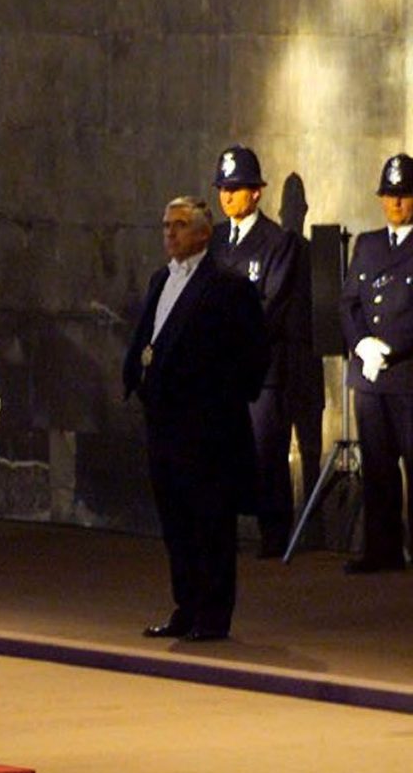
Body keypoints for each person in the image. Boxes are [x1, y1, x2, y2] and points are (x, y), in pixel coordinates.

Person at [125, 196, 267, 642]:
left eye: (180, 226)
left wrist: (216, 399)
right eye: (167, 225)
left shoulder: (227, 286)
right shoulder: (159, 279)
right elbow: (147, 338)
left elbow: (252, 355)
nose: (171, 233)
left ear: (204, 233)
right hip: (163, 424)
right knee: (176, 522)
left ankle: (213, 614)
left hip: (208, 430)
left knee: (211, 523)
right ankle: (185, 605)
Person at [209, 145, 321, 557]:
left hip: (259, 371)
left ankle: (274, 534)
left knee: (265, 453)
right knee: (219, 452)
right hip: (218, 368)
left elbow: (270, 306)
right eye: (223, 188)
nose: (228, 196)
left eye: (236, 188)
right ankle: (222, 529)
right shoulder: (216, 239)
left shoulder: (279, 242)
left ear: (256, 192)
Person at [342, 152, 413, 573]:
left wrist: (389, 346)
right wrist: (362, 342)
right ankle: (382, 550)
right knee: (378, 466)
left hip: (406, 374)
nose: (396, 204)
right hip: (369, 377)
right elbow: (349, 302)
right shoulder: (367, 244)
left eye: (403, 196)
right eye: (389, 196)